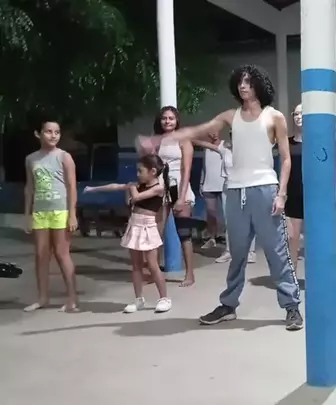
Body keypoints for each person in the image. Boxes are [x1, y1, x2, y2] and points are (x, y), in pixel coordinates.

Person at [141, 64, 303, 330]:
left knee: (277, 252)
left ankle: (291, 306)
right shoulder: (231, 115)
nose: (243, 86)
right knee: (237, 253)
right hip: (236, 191)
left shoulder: (274, 117)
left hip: (265, 189)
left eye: (248, 81)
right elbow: (199, 129)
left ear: (259, 85)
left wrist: (282, 194)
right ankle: (228, 305)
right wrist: (161, 139)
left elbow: (286, 159)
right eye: (240, 82)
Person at [83, 155, 172, 313]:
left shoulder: (158, 188)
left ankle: (164, 298)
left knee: (152, 265)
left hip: (148, 226)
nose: (137, 174)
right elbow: (115, 187)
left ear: (152, 171)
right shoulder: (138, 185)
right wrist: (94, 189)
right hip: (135, 225)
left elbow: (136, 197)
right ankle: (138, 299)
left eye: (140, 171)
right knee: (136, 265)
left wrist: (131, 188)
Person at [23, 119, 79, 312]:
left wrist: (72, 214)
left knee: (62, 254)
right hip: (40, 211)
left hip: (60, 210)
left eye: (57, 132)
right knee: (41, 255)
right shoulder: (31, 159)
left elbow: (72, 186)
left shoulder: (64, 157)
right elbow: (29, 187)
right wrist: (27, 214)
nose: (53, 135)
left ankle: (72, 299)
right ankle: (42, 298)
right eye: (48, 131)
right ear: (38, 134)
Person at [138, 107, 197, 287]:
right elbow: (151, 165)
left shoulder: (183, 140)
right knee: (156, 231)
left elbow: (186, 170)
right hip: (162, 188)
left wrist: (182, 196)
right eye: (164, 118)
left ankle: (190, 274)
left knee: (184, 232)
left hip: (179, 186)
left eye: (171, 118)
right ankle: (153, 272)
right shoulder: (158, 139)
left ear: (177, 120)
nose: (167, 121)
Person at [192, 132, 256, 264]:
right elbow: (206, 145)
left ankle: (250, 252)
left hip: (245, 186)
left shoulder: (249, 152)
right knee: (229, 221)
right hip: (228, 187)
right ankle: (229, 251)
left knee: (247, 219)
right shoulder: (224, 150)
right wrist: (187, 137)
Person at [285, 103, 305, 269]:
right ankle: (292, 276)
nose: (298, 117)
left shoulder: (316, 142)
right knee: (292, 238)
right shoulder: (287, 143)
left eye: (302, 113)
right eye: (296, 114)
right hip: (293, 195)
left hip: (314, 195)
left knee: (316, 239)